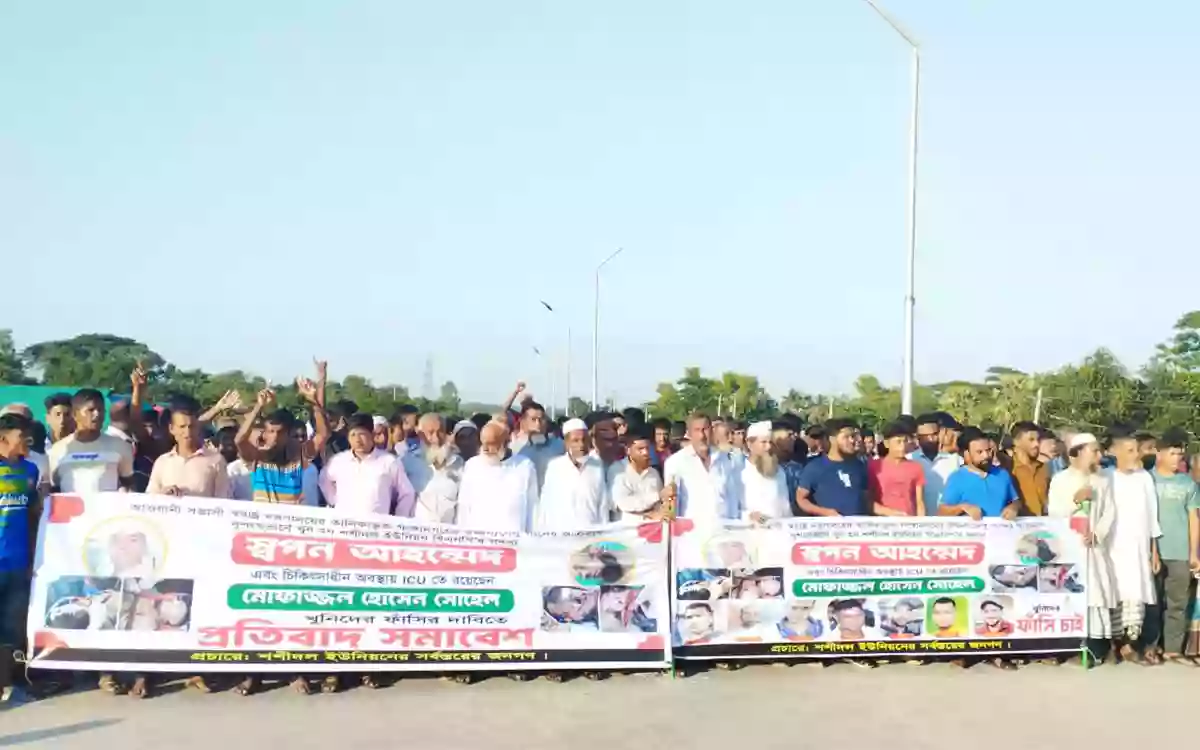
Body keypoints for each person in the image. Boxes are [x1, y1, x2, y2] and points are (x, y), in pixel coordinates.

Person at [1047, 432, 1119, 660]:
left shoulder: (1103, 480)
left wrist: (1097, 534)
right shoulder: (1061, 479)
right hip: (1069, 548)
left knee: (1096, 593)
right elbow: (1055, 513)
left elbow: (1110, 512)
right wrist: (1075, 501)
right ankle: (1067, 646)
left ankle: (1096, 646)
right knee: (1070, 592)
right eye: (1094, 451)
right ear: (1076, 454)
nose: (1099, 455)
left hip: (1094, 548)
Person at [1104, 428, 1162, 664]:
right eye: (1129, 451)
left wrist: (1154, 551)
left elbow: (1152, 517)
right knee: (1113, 593)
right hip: (1112, 547)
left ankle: (1130, 644)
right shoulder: (1105, 477)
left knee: (1135, 596)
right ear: (1114, 452)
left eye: (1137, 450)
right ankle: (1113, 643)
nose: (1135, 455)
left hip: (1138, 547)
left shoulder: (1145, 478)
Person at [0, 414, 42, 703]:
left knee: (12, 627)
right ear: (3, 439)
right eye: (20, 437)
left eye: (29, 437)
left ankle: (5, 682)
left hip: (18, 563)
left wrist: (31, 559)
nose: (27, 442)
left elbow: (31, 514)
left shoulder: (31, 470)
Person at [1149, 428, 1200, 662]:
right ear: (1158, 453)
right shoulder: (1146, 480)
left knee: (1177, 603)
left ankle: (1172, 649)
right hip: (1152, 551)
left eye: (1180, 454)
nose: (1177, 458)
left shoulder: (1188, 484)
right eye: (1172, 453)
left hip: (1179, 552)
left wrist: (1193, 553)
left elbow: (1193, 518)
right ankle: (1150, 646)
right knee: (1152, 602)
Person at [319, 413, 415, 517]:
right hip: (344, 525)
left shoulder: (388, 461)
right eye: (353, 435)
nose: (358, 440)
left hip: (376, 526)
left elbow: (407, 493)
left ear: (372, 435)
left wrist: (398, 520)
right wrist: (335, 501)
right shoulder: (338, 461)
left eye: (362, 434)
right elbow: (324, 480)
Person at [48, 389, 135, 494]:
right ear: (75, 414)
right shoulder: (58, 450)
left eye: (100, 410)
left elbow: (129, 486)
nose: (97, 414)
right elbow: (53, 491)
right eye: (91, 410)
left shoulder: (121, 447)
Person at [457, 420, 538, 532]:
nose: (485, 449)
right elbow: (463, 509)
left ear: (506, 442)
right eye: (483, 443)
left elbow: (533, 510)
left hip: (514, 543)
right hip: (478, 540)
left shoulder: (525, 466)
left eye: (491, 444)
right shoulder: (472, 466)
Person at [147, 396, 231, 500]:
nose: (187, 432)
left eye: (192, 426)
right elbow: (149, 499)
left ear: (198, 427)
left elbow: (223, 502)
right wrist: (163, 494)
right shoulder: (162, 462)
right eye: (182, 427)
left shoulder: (216, 461)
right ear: (172, 429)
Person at [663, 413, 741, 524]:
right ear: (689, 433)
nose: (702, 436)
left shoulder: (725, 459)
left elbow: (733, 498)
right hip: (691, 532)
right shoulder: (675, 462)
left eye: (705, 429)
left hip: (724, 530)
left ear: (712, 431)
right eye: (697, 430)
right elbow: (671, 503)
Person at [534, 419, 608, 531]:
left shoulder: (597, 466)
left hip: (591, 534)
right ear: (566, 443)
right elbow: (546, 506)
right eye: (575, 441)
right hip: (562, 537)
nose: (581, 445)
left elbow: (602, 504)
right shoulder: (555, 467)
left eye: (584, 440)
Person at [940, 427, 1019, 520]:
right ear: (966, 454)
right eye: (979, 452)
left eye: (988, 450)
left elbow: (1015, 500)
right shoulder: (957, 479)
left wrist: (1014, 507)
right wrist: (962, 507)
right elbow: (942, 511)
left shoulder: (1002, 474)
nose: (986, 455)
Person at [795, 419, 869, 517]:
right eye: (847, 436)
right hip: (828, 529)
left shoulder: (859, 466)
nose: (853, 441)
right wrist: (825, 512)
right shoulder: (814, 467)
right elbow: (801, 499)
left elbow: (867, 501)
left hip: (857, 530)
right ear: (831, 439)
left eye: (855, 436)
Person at [402, 413, 463, 524]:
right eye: (430, 433)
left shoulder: (458, 463)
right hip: (416, 532)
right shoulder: (407, 462)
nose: (436, 438)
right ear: (420, 435)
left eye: (440, 432)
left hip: (449, 534)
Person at [608, 424, 666, 522]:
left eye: (648, 448)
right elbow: (623, 504)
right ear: (628, 450)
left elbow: (659, 506)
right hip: (625, 532)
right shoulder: (617, 470)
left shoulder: (654, 473)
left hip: (651, 531)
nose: (645, 453)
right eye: (640, 449)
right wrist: (657, 496)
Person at [868, 421, 925, 516]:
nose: (902, 446)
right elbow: (868, 500)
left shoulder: (916, 467)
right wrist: (891, 513)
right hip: (881, 522)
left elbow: (920, 502)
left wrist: (921, 523)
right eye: (898, 442)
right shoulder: (874, 466)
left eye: (905, 441)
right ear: (887, 443)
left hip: (908, 521)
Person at [740, 420, 791, 524]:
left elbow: (785, 507)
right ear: (749, 443)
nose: (768, 447)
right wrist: (748, 516)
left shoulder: (779, 472)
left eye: (770, 442)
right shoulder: (740, 471)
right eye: (763, 442)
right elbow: (729, 509)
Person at [513, 401, 564, 490]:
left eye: (541, 419)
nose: (538, 424)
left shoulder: (559, 445)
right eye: (533, 419)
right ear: (523, 422)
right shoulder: (515, 449)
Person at [1009, 421, 1050, 516]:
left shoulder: (1044, 468)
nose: (1036, 444)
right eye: (1031, 439)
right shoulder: (1008, 469)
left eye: (1038, 440)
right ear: (1016, 442)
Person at [773, 418, 807, 516]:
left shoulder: (797, 469)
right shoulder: (760, 469)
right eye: (789, 435)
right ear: (775, 438)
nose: (794, 438)